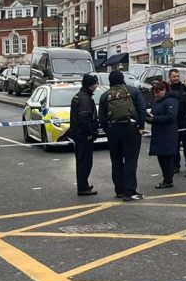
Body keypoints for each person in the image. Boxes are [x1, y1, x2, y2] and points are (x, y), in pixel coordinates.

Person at [99, 70, 146, 200]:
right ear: (122, 79)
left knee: (116, 161)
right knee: (131, 160)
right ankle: (130, 191)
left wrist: (108, 130)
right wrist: (141, 126)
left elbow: (101, 118)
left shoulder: (105, 96)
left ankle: (119, 190)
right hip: (130, 128)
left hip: (113, 130)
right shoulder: (133, 91)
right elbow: (141, 108)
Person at [70, 73, 100, 196]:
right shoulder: (85, 99)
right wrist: (90, 133)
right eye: (95, 83)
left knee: (81, 161)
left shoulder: (78, 96)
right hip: (83, 136)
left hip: (78, 135)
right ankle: (83, 187)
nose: (97, 86)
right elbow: (84, 118)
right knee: (85, 162)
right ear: (90, 85)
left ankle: (84, 184)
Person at [147, 81, 180, 189]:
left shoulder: (171, 101)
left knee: (168, 158)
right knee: (161, 157)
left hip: (168, 133)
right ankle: (166, 179)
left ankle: (168, 180)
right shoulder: (157, 101)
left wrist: (155, 119)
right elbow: (154, 114)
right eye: (154, 92)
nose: (156, 94)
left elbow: (171, 116)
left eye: (158, 92)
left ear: (164, 90)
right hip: (159, 132)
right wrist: (149, 119)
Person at [167, 69, 186, 173]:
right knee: (174, 145)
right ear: (170, 77)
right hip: (173, 121)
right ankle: (175, 166)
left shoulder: (184, 87)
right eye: (174, 76)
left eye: (177, 76)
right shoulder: (167, 89)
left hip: (184, 120)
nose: (176, 78)